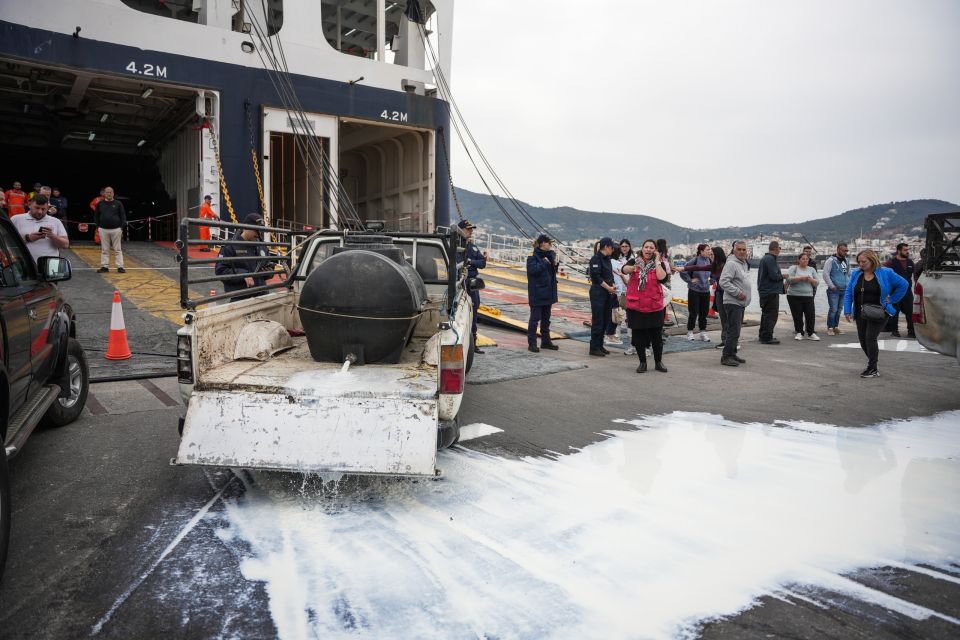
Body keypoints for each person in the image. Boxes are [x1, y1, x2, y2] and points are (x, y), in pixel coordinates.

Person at [843, 249, 909, 378]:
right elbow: (849, 292)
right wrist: (847, 310)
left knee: (870, 338)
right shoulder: (856, 273)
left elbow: (904, 284)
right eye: (859, 262)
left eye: (864, 261)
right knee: (863, 341)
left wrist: (893, 299)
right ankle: (873, 364)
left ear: (872, 260)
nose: (861, 264)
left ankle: (872, 368)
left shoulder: (886, 272)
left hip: (880, 312)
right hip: (861, 312)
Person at [622, 239, 669, 372]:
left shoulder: (659, 263)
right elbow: (624, 269)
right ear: (642, 249)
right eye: (646, 247)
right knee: (638, 336)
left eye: (651, 247)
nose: (648, 249)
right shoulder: (635, 261)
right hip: (636, 306)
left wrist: (657, 261)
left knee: (656, 337)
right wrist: (633, 268)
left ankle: (658, 362)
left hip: (654, 305)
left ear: (655, 250)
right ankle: (642, 362)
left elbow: (662, 278)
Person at [215, 213, 275, 301]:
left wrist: (269, 272)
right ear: (246, 227)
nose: (258, 234)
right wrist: (242, 274)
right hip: (240, 298)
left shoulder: (262, 246)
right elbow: (220, 271)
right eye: (256, 230)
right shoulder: (230, 246)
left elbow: (268, 265)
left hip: (262, 295)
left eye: (260, 231)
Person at [718, 241, 751, 366]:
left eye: (744, 249)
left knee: (736, 330)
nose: (742, 252)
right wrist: (738, 293)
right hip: (733, 302)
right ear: (734, 250)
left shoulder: (743, 264)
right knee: (733, 330)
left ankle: (732, 354)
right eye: (739, 249)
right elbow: (723, 282)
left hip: (740, 303)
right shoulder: (731, 264)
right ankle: (726, 356)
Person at [12, 195, 69, 264]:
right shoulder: (16, 219)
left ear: (48, 208)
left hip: (49, 266)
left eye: (43, 209)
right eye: (37, 208)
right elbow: (6, 241)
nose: (40, 212)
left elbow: (65, 245)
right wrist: (28, 238)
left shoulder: (56, 221)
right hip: (23, 265)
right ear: (29, 205)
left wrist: (53, 236)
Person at [526, 234, 560, 353]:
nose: (550, 245)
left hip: (548, 292)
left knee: (546, 319)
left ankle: (546, 341)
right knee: (535, 319)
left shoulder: (550, 256)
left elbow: (552, 272)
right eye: (548, 243)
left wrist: (555, 264)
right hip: (537, 293)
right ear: (542, 244)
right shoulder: (532, 257)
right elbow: (532, 271)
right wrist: (544, 262)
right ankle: (532, 343)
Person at [458, 219, 487, 354]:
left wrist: (470, 261)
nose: (471, 231)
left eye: (471, 229)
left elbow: (482, 263)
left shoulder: (472, 247)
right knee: (459, 313)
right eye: (468, 229)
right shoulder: (456, 246)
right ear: (461, 230)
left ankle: (473, 344)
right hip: (461, 283)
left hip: (473, 284)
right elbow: (457, 262)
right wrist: (472, 262)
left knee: (474, 312)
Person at [588, 237, 617, 357]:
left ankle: (600, 345)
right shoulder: (596, 259)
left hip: (607, 293)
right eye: (612, 247)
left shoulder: (607, 259)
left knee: (605, 320)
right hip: (598, 293)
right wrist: (608, 287)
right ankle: (594, 347)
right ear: (606, 247)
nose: (613, 250)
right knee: (598, 320)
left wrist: (613, 284)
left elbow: (609, 274)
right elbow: (596, 277)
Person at [680, 243, 713, 342]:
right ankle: (690, 332)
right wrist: (690, 280)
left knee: (704, 313)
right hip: (694, 290)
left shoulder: (710, 261)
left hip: (706, 290)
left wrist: (712, 281)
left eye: (710, 249)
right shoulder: (694, 261)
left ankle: (703, 333)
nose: (709, 251)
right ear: (701, 251)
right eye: (707, 250)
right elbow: (683, 271)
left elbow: (715, 273)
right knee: (693, 312)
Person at [883, 243, 916, 338]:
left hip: (907, 291)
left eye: (908, 250)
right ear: (899, 251)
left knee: (910, 311)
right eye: (905, 250)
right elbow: (883, 274)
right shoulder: (891, 263)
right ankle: (894, 331)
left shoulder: (910, 263)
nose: (907, 252)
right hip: (895, 291)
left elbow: (914, 275)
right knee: (895, 311)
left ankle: (911, 331)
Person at [785, 253, 820, 340]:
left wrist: (811, 280)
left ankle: (811, 333)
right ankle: (799, 332)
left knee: (810, 314)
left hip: (808, 295)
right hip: (794, 295)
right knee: (797, 315)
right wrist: (801, 278)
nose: (805, 260)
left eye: (806, 259)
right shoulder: (793, 268)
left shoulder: (811, 269)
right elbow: (788, 280)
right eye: (803, 259)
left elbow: (817, 282)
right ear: (799, 260)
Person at [756, 240, 785, 344]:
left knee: (765, 314)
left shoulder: (765, 258)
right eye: (779, 248)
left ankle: (763, 335)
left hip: (765, 291)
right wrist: (783, 276)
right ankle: (767, 337)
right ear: (776, 248)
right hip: (770, 291)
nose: (780, 250)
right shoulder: (770, 259)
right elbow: (774, 276)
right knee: (771, 315)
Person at [94, 186, 127, 273]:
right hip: (103, 230)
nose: (109, 194)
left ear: (113, 193)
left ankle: (120, 267)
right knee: (104, 249)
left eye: (110, 192)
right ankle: (104, 267)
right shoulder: (100, 204)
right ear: (104, 193)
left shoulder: (118, 203)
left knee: (117, 249)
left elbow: (123, 216)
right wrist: (98, 226)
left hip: (116, 230)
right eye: (107, 192)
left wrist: (121, 227)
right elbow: (96, 215)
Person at [821, 242, 850, 336]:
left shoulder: (846, 261)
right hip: (834, 290)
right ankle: (830, 328)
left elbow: (849, 274)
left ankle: (836, 327)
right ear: (838, 250)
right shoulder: (830, 260)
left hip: (844, 289)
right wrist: (832, 286)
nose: (845, 252)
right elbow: (825, 274)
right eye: (843, 250)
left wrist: (849, 285)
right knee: (833, 309)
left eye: (846, 250)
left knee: (839, 309)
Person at [614, 239, 636, 355]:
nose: (624, 248)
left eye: (626, 246)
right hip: (619, 287)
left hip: (630, 288)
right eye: (622, 246)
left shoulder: (633, 258)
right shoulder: (617, 257)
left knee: (629, 315)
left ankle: (630, 336)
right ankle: (616, 333)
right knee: (618, 311)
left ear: (629, 247)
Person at [710, 246, 728, 349]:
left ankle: (730, 341)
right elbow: (700, 267)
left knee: (728, 319)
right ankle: (724, 340)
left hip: (726, 295)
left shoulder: (725, 266)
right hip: (719, 294)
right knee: (723, 319)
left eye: (712, 254)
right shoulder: (715, 265)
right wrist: (684, 268)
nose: (710, 256)